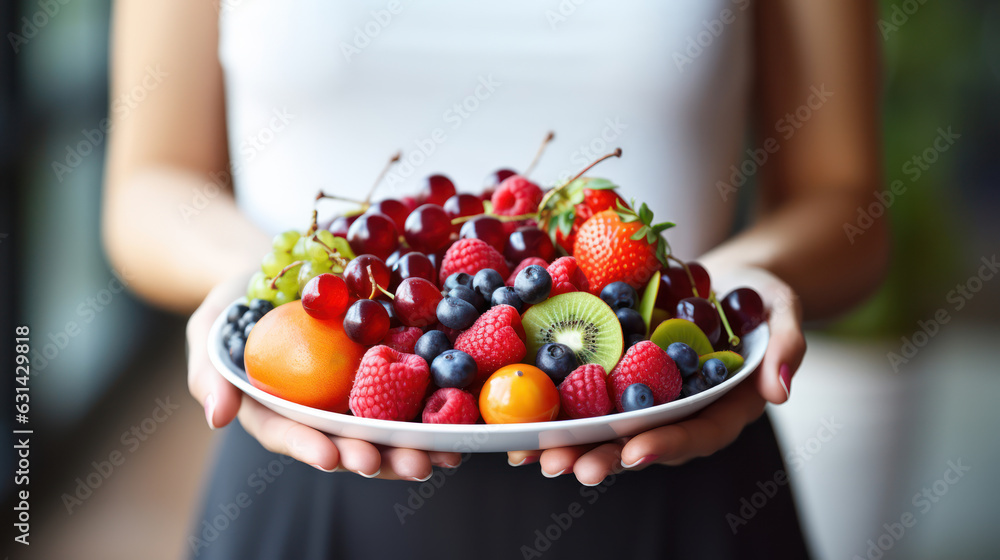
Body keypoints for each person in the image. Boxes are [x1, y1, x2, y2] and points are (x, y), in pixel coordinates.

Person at [103, 1, 888, 558]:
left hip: (673, 461)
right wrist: (250, 287)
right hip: (308, 443)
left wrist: (746, 279)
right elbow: (147, 186)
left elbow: (847, 203)